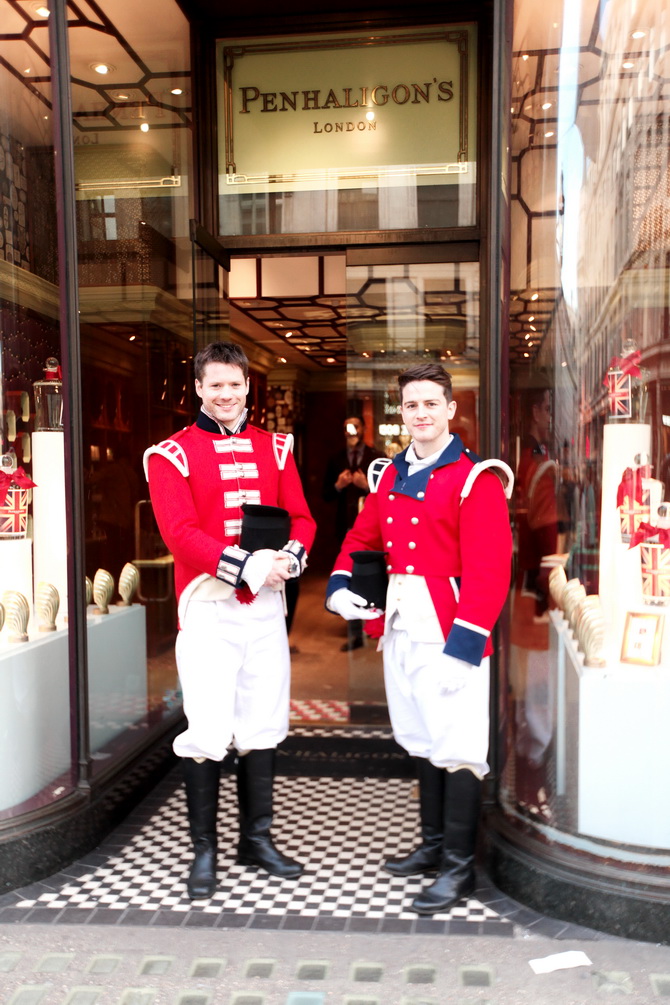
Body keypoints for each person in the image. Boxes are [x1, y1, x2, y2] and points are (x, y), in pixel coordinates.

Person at [325, 363, 513, 915]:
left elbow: (490, 570)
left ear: (451, 409)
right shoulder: (388, 474)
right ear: (401, 412)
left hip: (450, 631)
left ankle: (458, 870)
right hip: (401, 626)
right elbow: (362, 536)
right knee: (424, 739)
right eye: (411, 405)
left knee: (456, 749)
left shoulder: (476, 478)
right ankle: (432, 848)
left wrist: (466, 649)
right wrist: (339, 585)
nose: (422, 413)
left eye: (432, 403)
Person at [144, 342, 316, 899]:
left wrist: (287, 560)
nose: (225, 394)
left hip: (267, 606)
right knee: (208, 727)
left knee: (263, 721)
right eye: (214, 385)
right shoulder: (171, 454)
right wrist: (249, 565)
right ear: (198, 387)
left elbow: (302, 519)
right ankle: (204, 851)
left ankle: (256, 840)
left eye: (234, 385)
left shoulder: (278, 447)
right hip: (208, 605)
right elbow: (180, 534)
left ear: (248, 386)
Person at [322, 415, 384, 650]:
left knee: (369, 575)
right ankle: (354, 633)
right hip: (345, 524)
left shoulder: (377, 457)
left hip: (372, 527)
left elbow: (387, 495)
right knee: (347, 575)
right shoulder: (335, 459)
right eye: (347, 428)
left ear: (364, 429)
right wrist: (339, 486)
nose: (351, 431)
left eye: (355, 427)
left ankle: (374, 623)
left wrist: (366, 487)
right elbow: (325, 494)